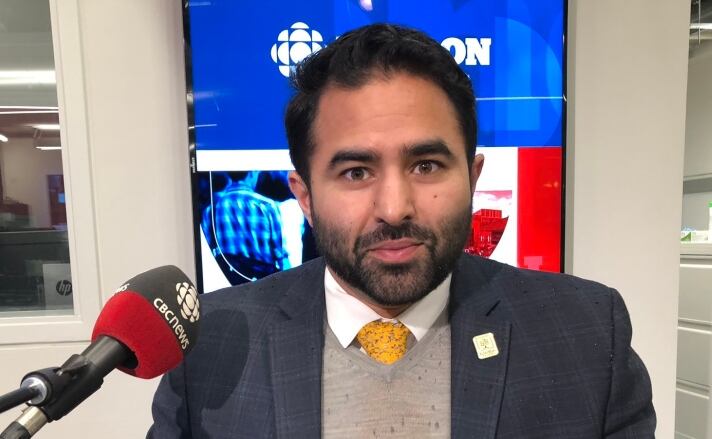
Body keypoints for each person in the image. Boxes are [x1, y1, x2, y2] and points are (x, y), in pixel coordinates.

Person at [148, 24, 655, 438]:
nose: (394, 208)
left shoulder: (586, 333)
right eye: (355, 172)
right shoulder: (210, 343)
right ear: (304, 196)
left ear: (473, 178)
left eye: (427, 165)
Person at [201, 171, 290, 284]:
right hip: (263, 286)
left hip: (227, 286)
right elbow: (280, 255)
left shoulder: (211, 210)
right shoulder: (267, 206)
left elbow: (208, 257)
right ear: (252, 173)